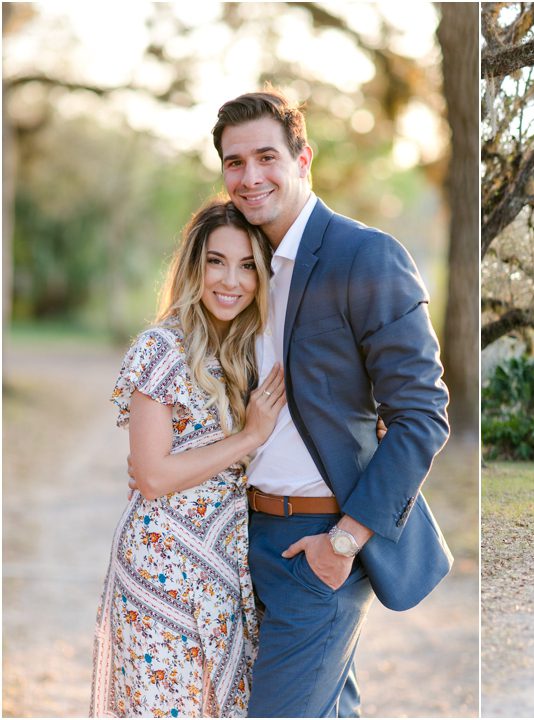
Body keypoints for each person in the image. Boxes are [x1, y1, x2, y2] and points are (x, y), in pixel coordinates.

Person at [210, 90, 452, 717]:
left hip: (319, 541)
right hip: (248, 536)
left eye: (267, 156)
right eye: (235, 163)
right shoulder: (246, 263)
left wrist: (343, 541)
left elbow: (422, 414)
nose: (251, 176)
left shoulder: (364, 255)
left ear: (303, 158)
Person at [91, 200, 287, 717]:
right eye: (217, 261)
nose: (232, 280)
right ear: (194, 266)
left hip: (224, 566)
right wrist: (249, 438)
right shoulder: (161, 348)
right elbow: (153, 477)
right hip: (162, 569)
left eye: (248, 266)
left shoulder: (247, 351)